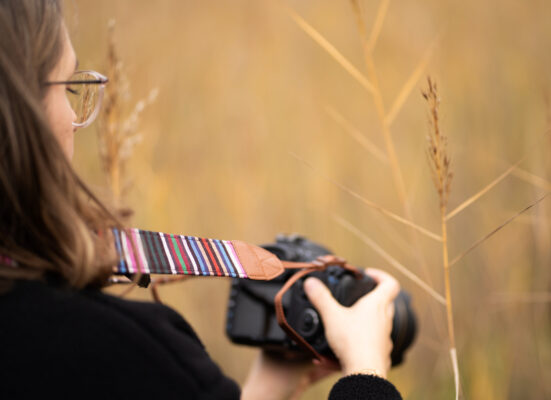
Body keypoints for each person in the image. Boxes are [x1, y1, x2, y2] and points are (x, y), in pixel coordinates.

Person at [0, 1, 404, 399]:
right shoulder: (129, 353)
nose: (74, 117)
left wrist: (266, 391)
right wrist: (366, 373)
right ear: (21, 115)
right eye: (68, 86)